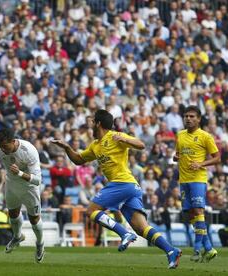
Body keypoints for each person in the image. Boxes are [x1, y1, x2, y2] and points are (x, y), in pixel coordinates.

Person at [51, 109, 181, 269]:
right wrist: (66, 148)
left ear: (98, 123)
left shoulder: (114, 136)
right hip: (130, 187)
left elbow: (141, 145)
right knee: (141, 228)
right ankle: (171, 250)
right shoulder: (95, 146)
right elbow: (78, 160)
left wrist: (124, 139)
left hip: (122, 183)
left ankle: (124, 233)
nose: (90, 126)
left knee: (91, 210)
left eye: (92, 122)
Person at [0, 128, 44, 263]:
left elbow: (37, 180)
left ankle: (40, 243)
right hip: (11, 185)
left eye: (5, 146)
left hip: (30, 188)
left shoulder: (29, 150)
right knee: (13, 214)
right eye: (1, 146)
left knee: (34, 219)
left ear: (13, 141)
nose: (3, 150)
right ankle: (17, 236)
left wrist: (20, 173)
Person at [174, 105, 220, 262]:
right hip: (184, 180)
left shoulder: (205, 136)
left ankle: (196, 250)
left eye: (192, 116)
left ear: (199, 119)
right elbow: (179, 153)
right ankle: (208, 248)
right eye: (186, 116)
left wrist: (201, 164)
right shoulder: (179, 135)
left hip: (198, 180)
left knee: (199, 211)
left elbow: (217, 158)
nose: (188, 118)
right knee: (191, 214)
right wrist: (176, 157)